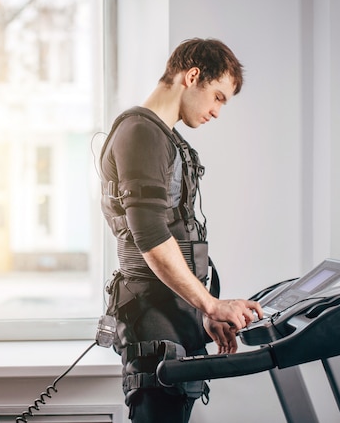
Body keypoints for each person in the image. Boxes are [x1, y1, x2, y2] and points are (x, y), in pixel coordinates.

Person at [99, 38, 264, 423]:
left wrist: (200, 311)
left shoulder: (165, 138)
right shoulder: (141, 133)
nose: (218, 111)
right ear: (192, 76)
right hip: (152, 314)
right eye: (218, 97)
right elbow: (151, 235)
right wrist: (211, 304)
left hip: (172, 312)